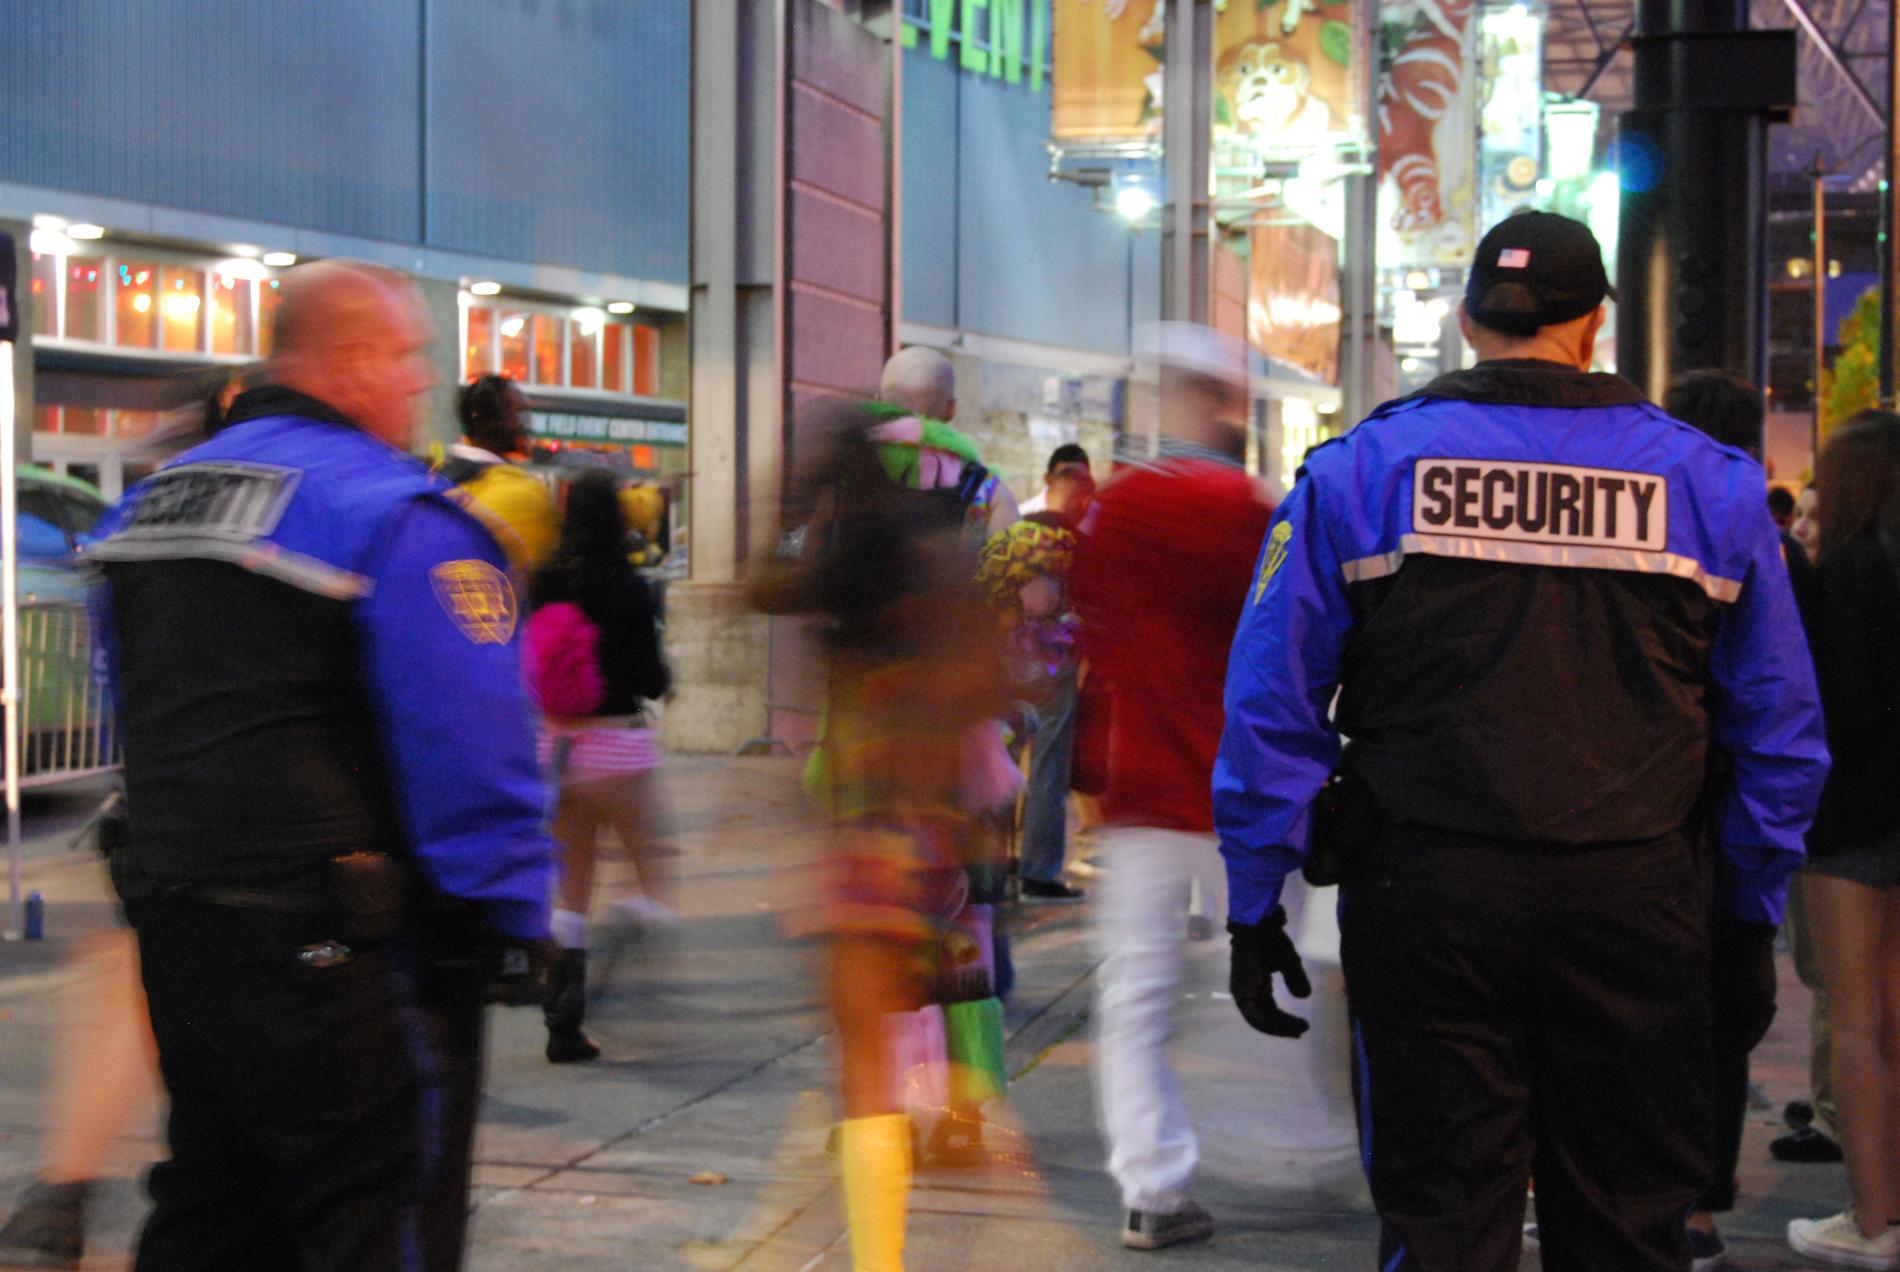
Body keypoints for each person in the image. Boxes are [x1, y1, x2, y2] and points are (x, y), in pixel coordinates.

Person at [1215, 212, 1828, 1272]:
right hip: (1635, 900)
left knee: (1443, 1218)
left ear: (1464, 321)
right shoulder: (1712, 489)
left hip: (1426, 897)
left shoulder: (1358, 473)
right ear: (1592, 326)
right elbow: (1778, 728)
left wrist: (1251, 895)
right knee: (1629, 1220)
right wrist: (1745, 909)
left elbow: (1271, 700)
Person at [87, 261, 557, 1272]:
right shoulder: (398, 515)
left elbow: (131, 700)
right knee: (374, 1219)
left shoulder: (148, 512)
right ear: (349, 361)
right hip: (348, 960)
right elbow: (472, 744)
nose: (417, 386)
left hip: (183, 934)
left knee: (214, 1212)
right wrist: (518, 913)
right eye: (406, 360)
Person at [751, 398, 1011, 1272]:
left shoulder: (830, 564)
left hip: (860, 830)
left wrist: (797, 506)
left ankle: (880, 1258)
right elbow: (996, 679)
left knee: (865, 1067)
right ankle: (968, 1114)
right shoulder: (939, 559)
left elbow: (760, 585)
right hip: (936, 820)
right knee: (960, 974)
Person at [1070, 323, 1274, 1251]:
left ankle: (1151, 1186)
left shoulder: (1112, 508)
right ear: (1224, 401)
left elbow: (1089, 637)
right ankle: (1297, 1151)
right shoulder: (1251, 508)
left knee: (1136, 994)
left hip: (1142, 783)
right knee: (1284, 968)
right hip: (1246, 784)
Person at [1659, 368, 1794, 1269]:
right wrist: (1762, 872)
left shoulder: (1664, 527)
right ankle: (1696, 1208)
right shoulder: (1771, 547)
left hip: (1655, 825)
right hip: (1725, 830)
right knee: (1715, 1026)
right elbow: (1786, 722)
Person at [1786, 411, 1900, 1268]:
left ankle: (1871, 1219)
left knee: (1856, 1024)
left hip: (1854, 826)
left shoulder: (1850, 574)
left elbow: (1838, 713)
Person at [526, 467, 673, 1064]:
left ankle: (564, 1027)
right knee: (653, 874)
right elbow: (648, 677)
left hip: (556, 746)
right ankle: (629, 921)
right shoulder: (628, 584)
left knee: (572, 891)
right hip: (617, 744)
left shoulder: (543, 579)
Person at [985, 467, 1095, 904]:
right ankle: (1039, 872)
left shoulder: (1019, 533)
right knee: (1048, 767)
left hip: (1006, 655)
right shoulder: (1074, 544)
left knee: (999, 759)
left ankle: (992, 866)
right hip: (1052, 662)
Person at [441, 373, 560, 577]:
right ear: (496, 422)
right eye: (520, 414)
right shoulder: (524, 492)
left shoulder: (437, 477)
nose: (526, 424)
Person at [1020, 443, 1092, 516]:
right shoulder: (1023, 516)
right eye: (1066, 476)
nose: (1073, 484)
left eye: (1080, 478)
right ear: (1048, 479)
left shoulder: (1096, 516)